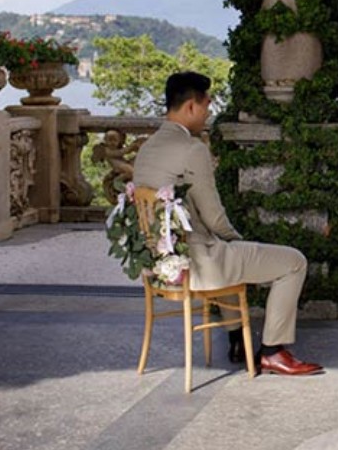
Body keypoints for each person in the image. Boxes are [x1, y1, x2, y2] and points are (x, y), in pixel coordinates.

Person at [132, 71, 323, 376]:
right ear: (191, 106)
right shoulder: (192, 149)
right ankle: (273, 351)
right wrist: (237, 237)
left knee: (222, 248)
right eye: (207, 104)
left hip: (161, 263)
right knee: (293, 261)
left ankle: (237, 341)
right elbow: (213, 215)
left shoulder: (146, 149)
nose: (208, 112)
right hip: (199, 264)